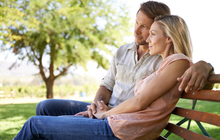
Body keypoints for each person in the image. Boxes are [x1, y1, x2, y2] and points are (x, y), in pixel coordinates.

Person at [14, 1, 213, 140]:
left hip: (120, 123)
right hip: (114, 116)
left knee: (35, 124)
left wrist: (205, 64)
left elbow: (193, 76)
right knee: (46, 108)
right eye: (137, 23)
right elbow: (106, 84)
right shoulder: (130, 53)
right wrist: (97, 105)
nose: (137, 31)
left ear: (165, 33)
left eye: (147, 29)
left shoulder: (167, 61)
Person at [91, 14, 193, 140]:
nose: (148, 39)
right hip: (119, 124)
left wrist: (104, 114)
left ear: (169, 38)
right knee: (61, 116)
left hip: (124, 131)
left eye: (153, 34)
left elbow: (140, 101)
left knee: (58, 127)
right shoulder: (167, 64)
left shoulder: (179, 62)